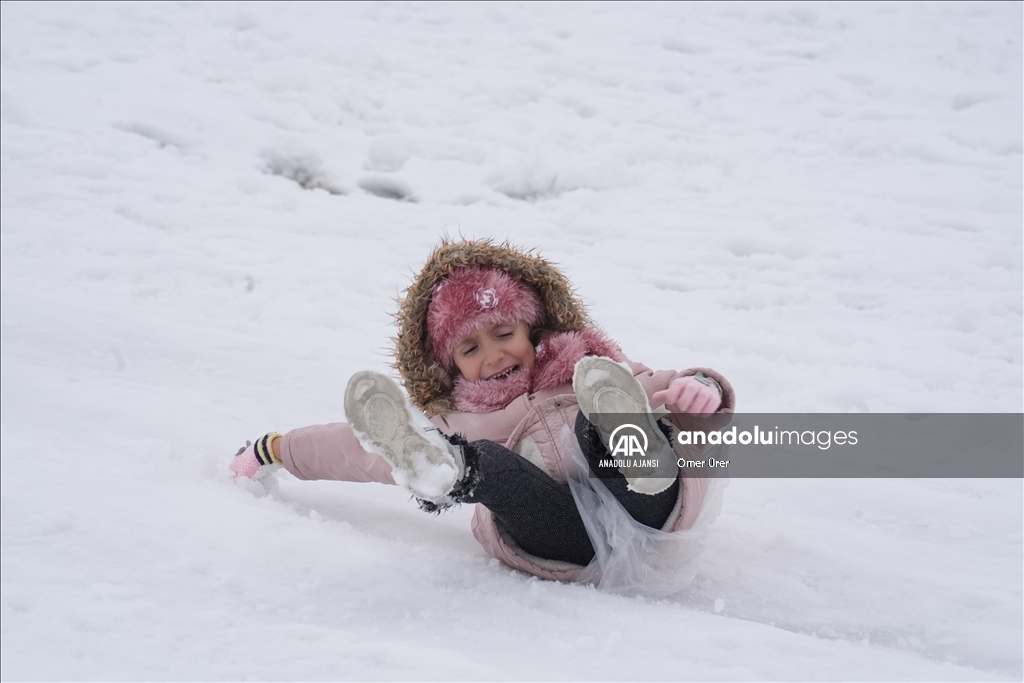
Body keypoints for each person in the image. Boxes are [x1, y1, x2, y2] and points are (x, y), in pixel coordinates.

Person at [230, 238, 735, 582]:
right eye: (470, 349)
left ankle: (634, 444)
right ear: (449, 366)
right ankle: (446, 470)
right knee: (490, 467)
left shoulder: (590, 366)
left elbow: (667, 385)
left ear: (531, 328)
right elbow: (355, 452)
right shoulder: (460, 421)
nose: (492, 356)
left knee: (598, 418)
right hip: (561, 540)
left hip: (650, 509)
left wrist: (701, 388)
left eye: (503, 334)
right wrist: (275, 449)